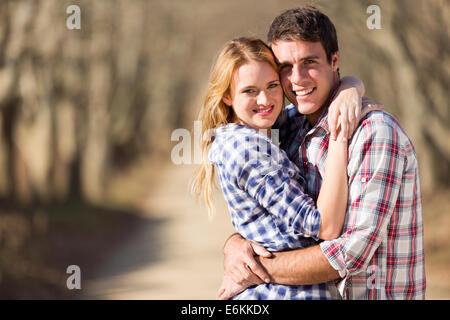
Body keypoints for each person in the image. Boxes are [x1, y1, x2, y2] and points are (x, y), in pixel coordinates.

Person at [219, 6, 425, 300]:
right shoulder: (289, 126)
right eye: (285, 67)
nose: (298, 78)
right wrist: (236, 244)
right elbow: (269, 218)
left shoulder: (375, 133)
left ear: (334, 60)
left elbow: (350, 253)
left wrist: (257, 269)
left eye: (310, 62)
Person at [191, 37, 377, 299]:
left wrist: (349, 87)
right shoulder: (247, 149)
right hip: (284, 293)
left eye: (272, 85)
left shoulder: (266, 128)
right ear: (226, 96)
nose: (265, 99)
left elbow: (313, 110)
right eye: (249, 91)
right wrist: (339, 136)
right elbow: (322, 225)